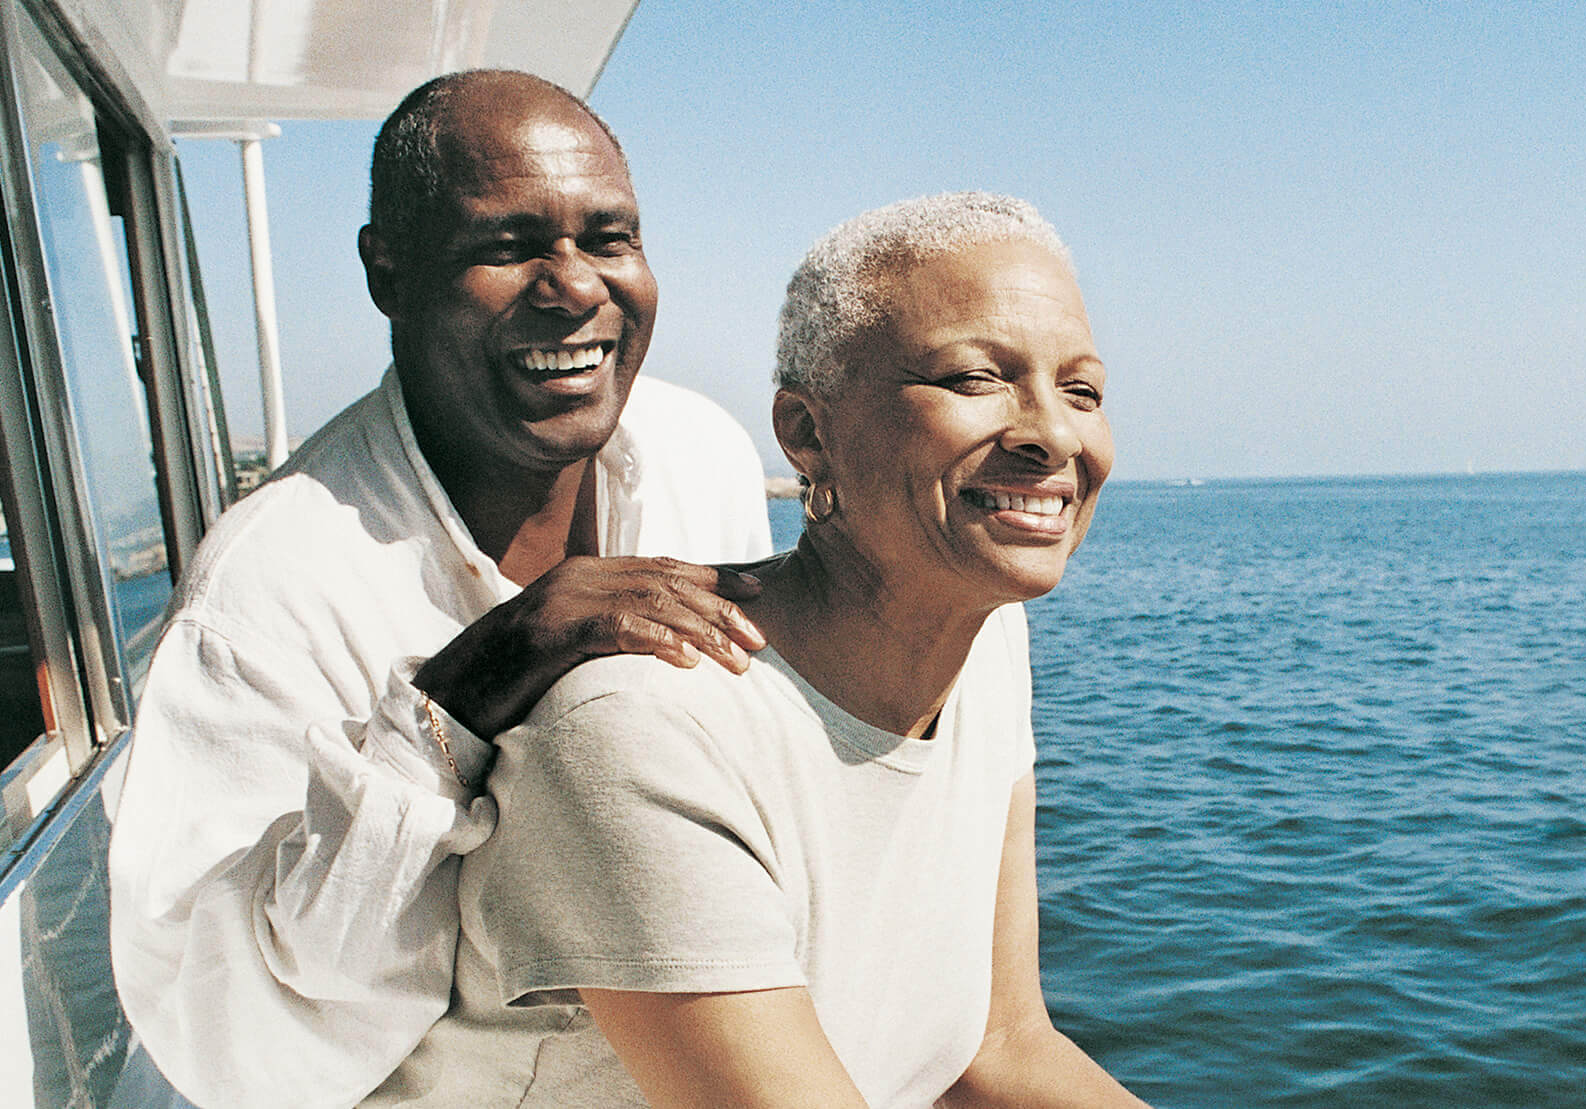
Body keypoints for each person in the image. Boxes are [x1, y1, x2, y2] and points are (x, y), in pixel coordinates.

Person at [365, 193, 1148, 1107]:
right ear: (807, 432)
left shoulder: (989, 647)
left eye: (1082, 390)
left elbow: (1001, 1046)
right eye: (975, 379)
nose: (1052, 433)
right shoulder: (640, 733)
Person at [106, 71, 777, 1109]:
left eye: (609, 238)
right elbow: (241, 1056)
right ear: (389, 269)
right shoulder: (267, 591)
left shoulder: (701, 454)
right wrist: (471, 685)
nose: (575, 287)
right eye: (507, 247)